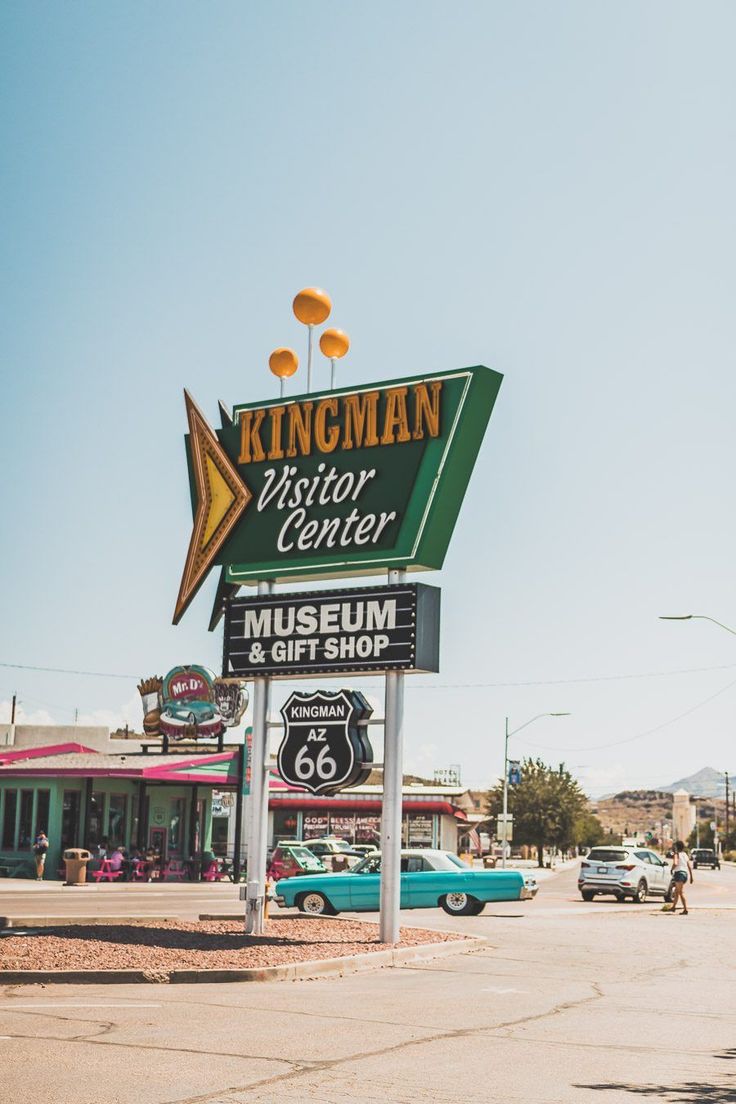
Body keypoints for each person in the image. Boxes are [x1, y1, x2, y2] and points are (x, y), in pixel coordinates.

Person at [669, 840, 693, 914]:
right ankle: (673, 907)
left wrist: (671, 869)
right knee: (676, 892)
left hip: (679, 874)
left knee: (680, 892)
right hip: (685, 874)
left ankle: (685, 909)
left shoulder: (676, 854)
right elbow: (689, 866)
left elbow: (675, 863)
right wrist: (691, 876)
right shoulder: (684, 854)